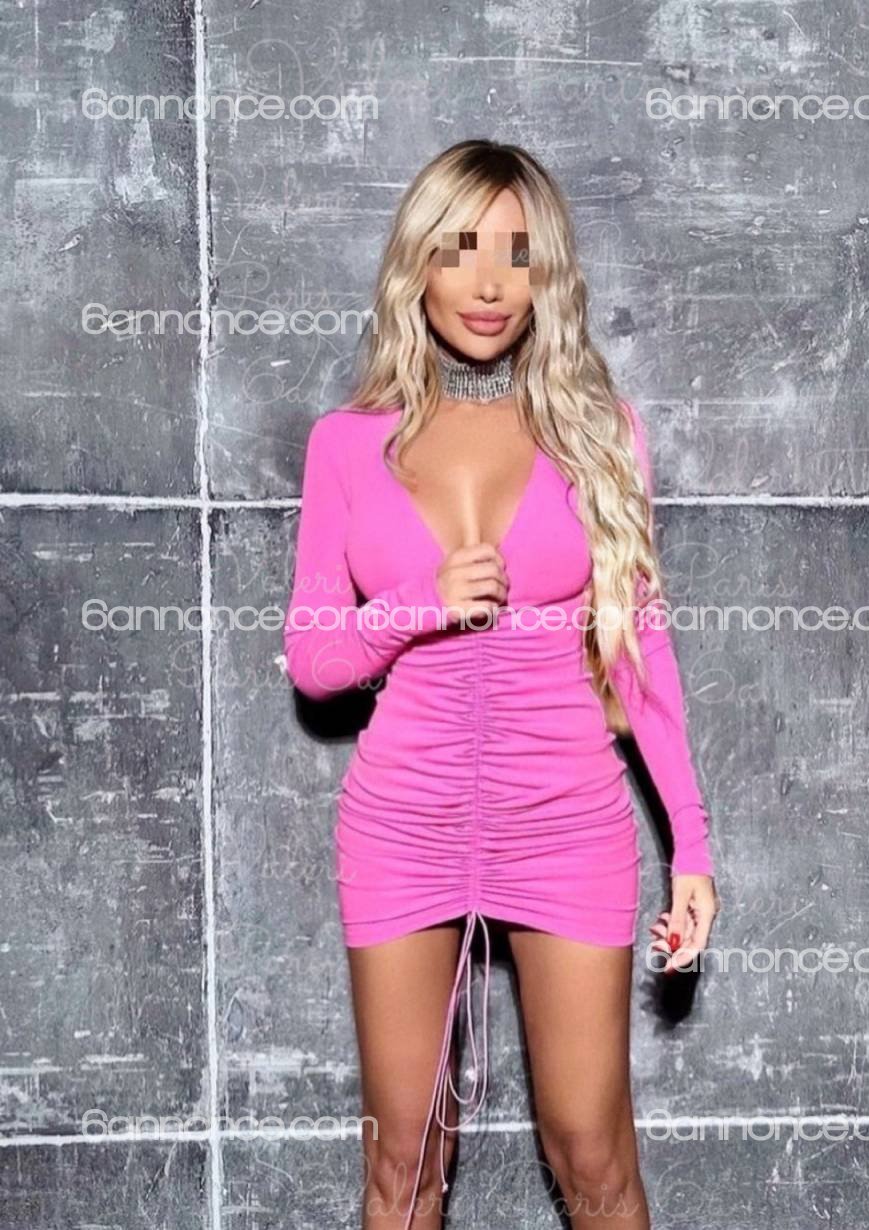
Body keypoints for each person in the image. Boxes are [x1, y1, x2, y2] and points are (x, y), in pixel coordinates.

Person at [283, 138, 720, 1229]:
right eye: (460, 249)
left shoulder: (601, 434)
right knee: (404, 1164)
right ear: (417, 265)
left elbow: (640, 652)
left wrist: (692, 850)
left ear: (548, 273)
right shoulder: (346, 445)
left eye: (518, 254)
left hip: (566, 819)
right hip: (401, 822)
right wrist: (417, 602)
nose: (488, 283)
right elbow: (314, 660)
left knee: (593, 1158)